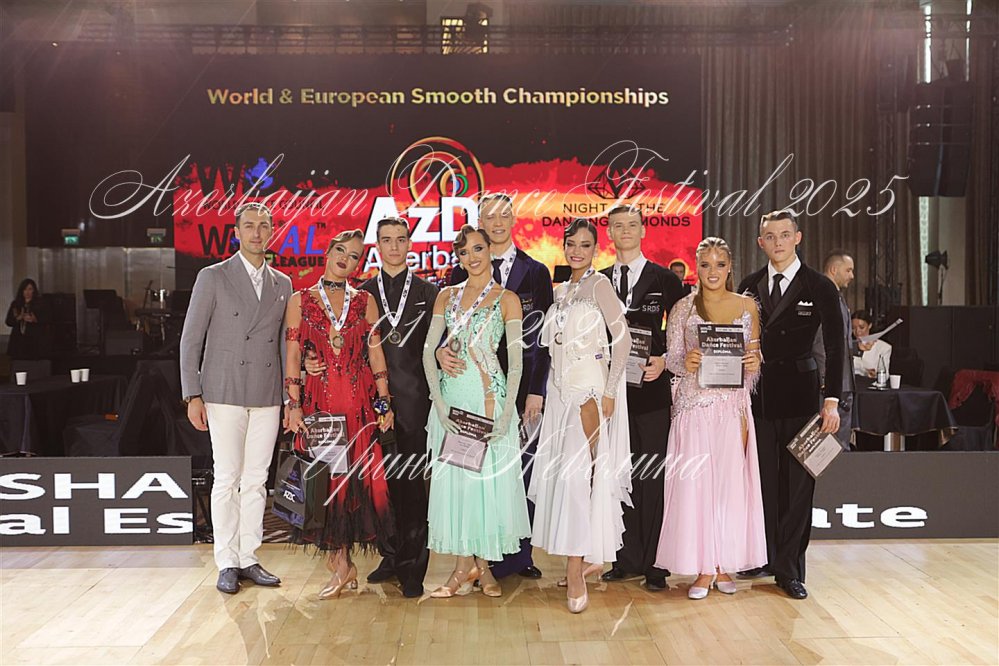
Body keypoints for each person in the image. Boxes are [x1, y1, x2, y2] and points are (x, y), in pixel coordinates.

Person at [304, 217, 438, 599]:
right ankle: (390, 557)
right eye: (386, 240)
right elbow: (333, 346)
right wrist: (311, 360)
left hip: (413, 403)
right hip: (366, 408)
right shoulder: (360, 294)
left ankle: (413, 567)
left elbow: (439, 343)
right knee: (379, 488)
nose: (394, 246)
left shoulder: (429, 293)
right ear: (377, 247)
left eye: (400, 239)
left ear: (410, 244)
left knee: (412, 487)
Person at [180, 202, 292, 595]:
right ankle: (226, 560)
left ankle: (249, 556)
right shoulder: (213, 277)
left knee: (257, 479)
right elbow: (191, 339)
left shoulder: (283, 283)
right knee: (227, 476)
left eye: (264, 226)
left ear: (272, 231)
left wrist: (289, 398)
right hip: (223, 389)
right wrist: (192, 394)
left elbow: (284, 345)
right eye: (249, 226)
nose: (257, 233)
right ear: (237, 232)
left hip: (266, 392)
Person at [440, 193, 553, 580]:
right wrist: (440, 351)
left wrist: (536, 390)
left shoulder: (536, 272)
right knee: (472, 471)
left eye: (504, 215)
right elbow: (449, 332)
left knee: (520, 470)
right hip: (471, 389)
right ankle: (477, 559)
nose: (498, 222)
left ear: (514, 219)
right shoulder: (459, 273)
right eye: (489, 216)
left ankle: (519, 557)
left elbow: (542, 338)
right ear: (480, 222)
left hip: (522, 389)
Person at [736, 210, 843, 600]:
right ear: (760, 242)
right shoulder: (748, 286)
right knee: (763, 482)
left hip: (803, 399)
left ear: (798, 237)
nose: (777, 242)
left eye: (784, 234)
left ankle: (790, 570)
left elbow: (836, 347)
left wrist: (832, 401)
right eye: (770, 236)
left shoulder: (820, 285)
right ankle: (763, 556)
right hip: (758, 399)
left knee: (798, 487)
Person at [284, 228, 396, 600]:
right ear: (329, 252)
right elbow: (293, 355)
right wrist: (294, 403)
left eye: (354, 256)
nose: (345, 259)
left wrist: (384, 402)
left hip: (359, 404)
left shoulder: (364, 301)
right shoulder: (300, 300)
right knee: (327, 486)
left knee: (353, 486)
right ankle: (341, 565)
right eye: (341, 251)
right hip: (320, 405)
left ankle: (344, 567)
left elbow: (376, 353)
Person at [529, 219, 632, 614]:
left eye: (585, 245)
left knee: (578, 480)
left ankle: (575, 571)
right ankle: (582, 557)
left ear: (595, 249)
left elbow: (622, 341)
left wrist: (609, 391)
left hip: (588, 392)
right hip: (559, 394)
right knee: (566, 478)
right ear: (564, 246)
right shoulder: (561, 291)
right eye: (571, 244)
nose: (577, 251)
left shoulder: (600, 285)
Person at [423, 224, 531, 598]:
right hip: (454, 405)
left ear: (489, 251)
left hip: (488, 404)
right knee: (459, 487)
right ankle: (461, 568)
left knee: (484, 489)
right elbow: (427, 352)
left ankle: (482, 568)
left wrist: (507, 413)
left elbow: (516, 362)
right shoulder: (446, 296)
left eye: (478, 249)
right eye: (464, 252)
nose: (472, 257)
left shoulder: (507, 299)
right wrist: (440, 405)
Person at [655, 237, 766, 599]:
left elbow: (753, 363)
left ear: (729, 267)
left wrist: (753, 363)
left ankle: (723, 565)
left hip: (731, 409)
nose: (712, 271)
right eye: (705, 264)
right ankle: (702, 568)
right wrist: (685, 363)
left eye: (719, 264)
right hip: (694, 408)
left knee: (729, 488)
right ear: (697, 267)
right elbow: (673, 360)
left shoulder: (747, 306)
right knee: (697, 488)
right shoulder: (683, 308)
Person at [598, 205, 685, 591]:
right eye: (618, 226)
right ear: (610, 233)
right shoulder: (599, 280)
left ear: (643, 231)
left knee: (652, 476)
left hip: (651, 392)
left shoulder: (666, 279)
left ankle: (655, 563)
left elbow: (683, 331)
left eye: (632, 225)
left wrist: (665, 360)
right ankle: (625, 559)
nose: (625, 231)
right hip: (610, 393)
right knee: (619, 474)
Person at [814, 250, 859, 448]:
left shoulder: (837, 297)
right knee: (828, 446)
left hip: (843, 383)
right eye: (848, 270)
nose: (852, 275)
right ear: (833, 269)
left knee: (839, 444)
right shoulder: (823, 297)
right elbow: (820, 344)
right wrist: (828, 382)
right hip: (833, 386)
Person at [5, 279, 49, 360]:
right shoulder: (16, 304)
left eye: (30, 289)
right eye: (25, 289)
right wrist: (18, 318)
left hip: (34, 341)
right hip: (18, 342)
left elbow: (47, 320)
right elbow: (8, 322)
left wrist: (35, 319)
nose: (27, 292)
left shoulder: (40, 304)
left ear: (34, 290)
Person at [851, 311, 892, 379]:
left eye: (861, 327)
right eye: (853, 328)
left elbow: (885, 375)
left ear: (869, 325)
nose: (857, 331)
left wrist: (874, 374)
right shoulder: (848, 345)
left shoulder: (883, 347)